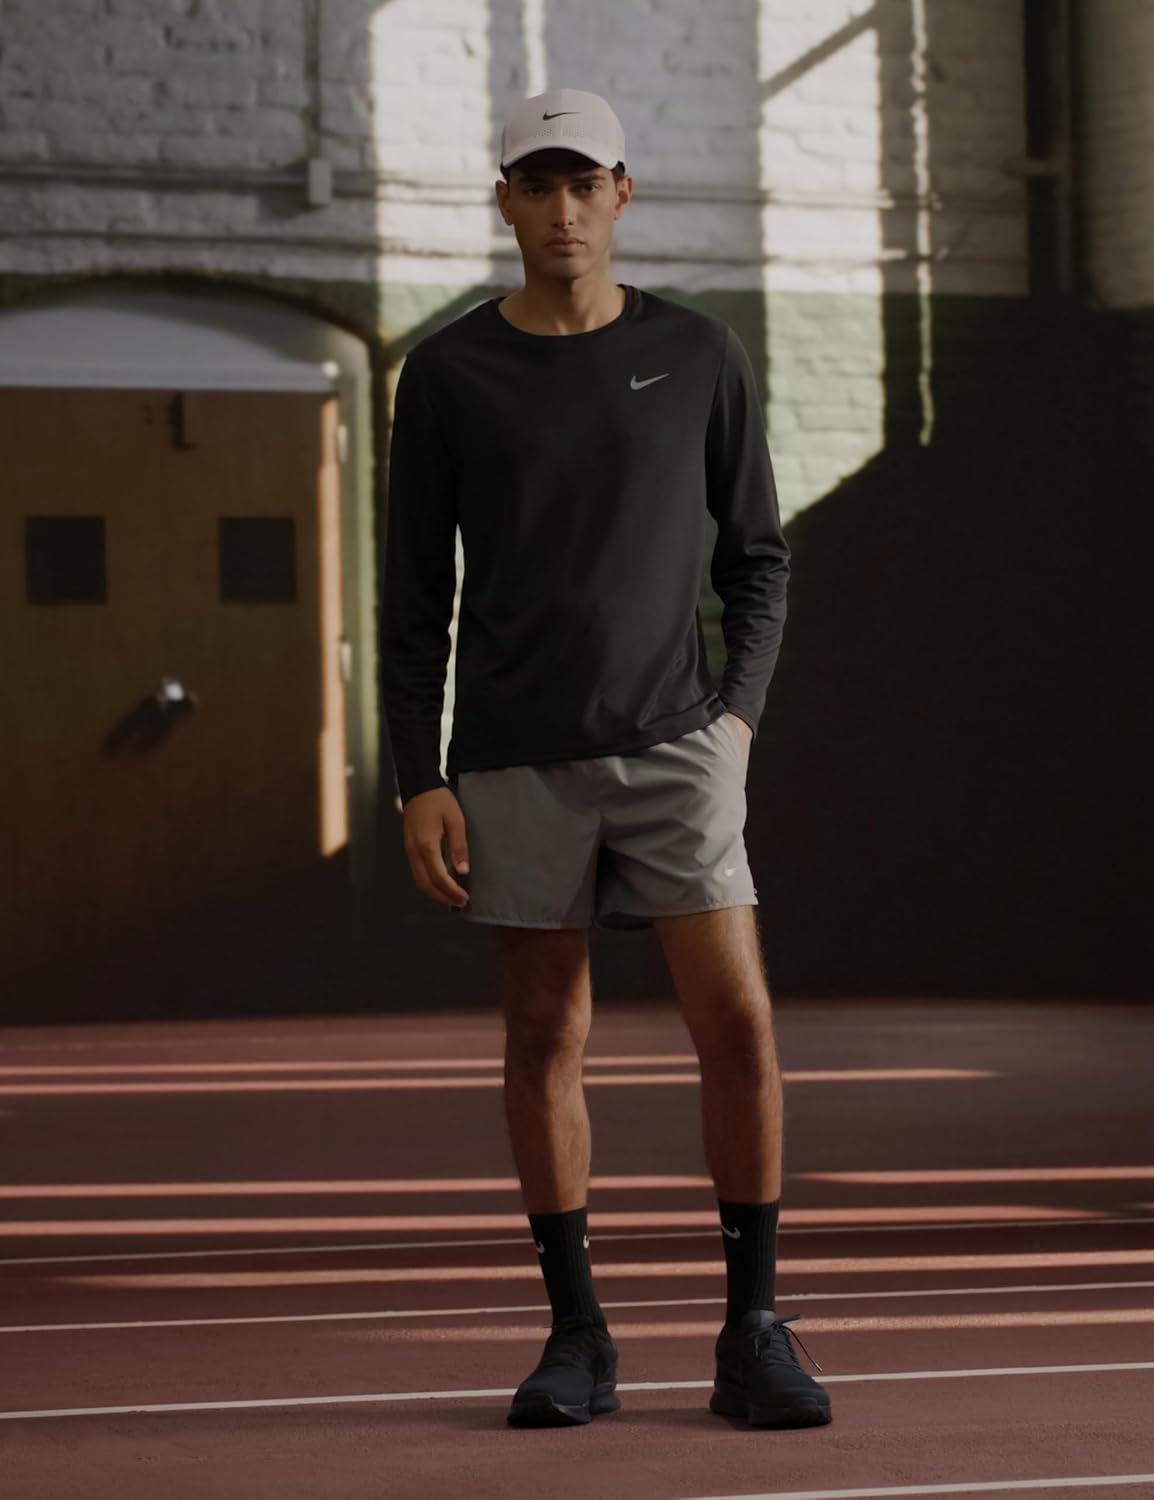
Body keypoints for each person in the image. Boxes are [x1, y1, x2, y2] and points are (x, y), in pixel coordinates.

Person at [380, 87, 831, 1432]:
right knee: (543, 1036)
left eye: (586, 183)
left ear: (622, 193)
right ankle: (577, 1333)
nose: (563, 209)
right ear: (505, 202)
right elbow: (413, 599)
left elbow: (758, 560)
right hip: (513, 757)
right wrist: (417, 776)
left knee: (738, 1027)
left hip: (678, 744)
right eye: (539, 185)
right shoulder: (448, 374)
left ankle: (752, 1327)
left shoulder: (698, 353)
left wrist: (733, 726)